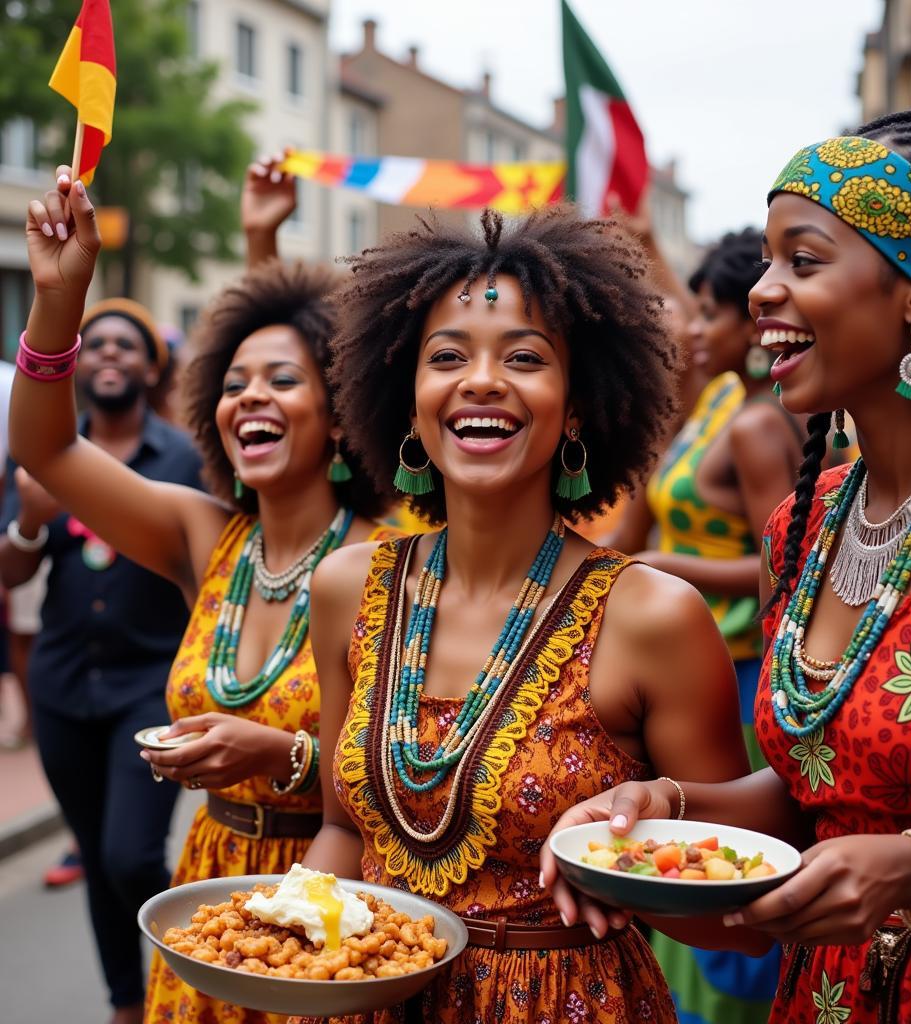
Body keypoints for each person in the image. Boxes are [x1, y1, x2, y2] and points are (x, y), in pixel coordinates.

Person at [542, 109, 911, 1023]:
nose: (763, 291)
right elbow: (822, 795)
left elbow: (890, 846)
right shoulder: (802, 525)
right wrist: (666, 803)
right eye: (766, 260)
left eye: (802, 261)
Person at [294, 205, 760, 1024]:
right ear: (408, 402)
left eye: (524, 357)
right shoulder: (345, 589)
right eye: (447, 357)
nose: (481, 379)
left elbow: (737, 918)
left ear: (576, 406)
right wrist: (289, 937)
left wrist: (621, 868)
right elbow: (343, 833)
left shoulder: (652, 617)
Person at [16, 166, 392, 1024]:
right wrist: (58, 297)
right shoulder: (203, 535)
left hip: (345, 907)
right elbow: (43, 447)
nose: (251, 395)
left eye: (283, 381)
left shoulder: (390, 559)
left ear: (339, 416)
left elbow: (405, 777)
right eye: (233, 384)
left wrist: (278, 756)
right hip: (212, 890)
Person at [608, 227, 804, 1024]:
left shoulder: (757, 425)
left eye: (713, 313)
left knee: (719, 873)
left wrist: (667, 567)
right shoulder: (714, 407)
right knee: (673, 862)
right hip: (684, 667)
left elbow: (783, 567)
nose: (698, 327)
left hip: (739, 669)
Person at [0, 295, 203, 1023]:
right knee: (93, 850)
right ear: (78, 363)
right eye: (97, 344)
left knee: (128, 855)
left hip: (149, 687)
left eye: (127, 346)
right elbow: (10, 574)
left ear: (151, 368)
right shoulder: (42, 452)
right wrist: (28, 517)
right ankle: (126, 1001)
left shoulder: (183, 459)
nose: (109, 354)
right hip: (61, 687)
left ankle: (187, 975)